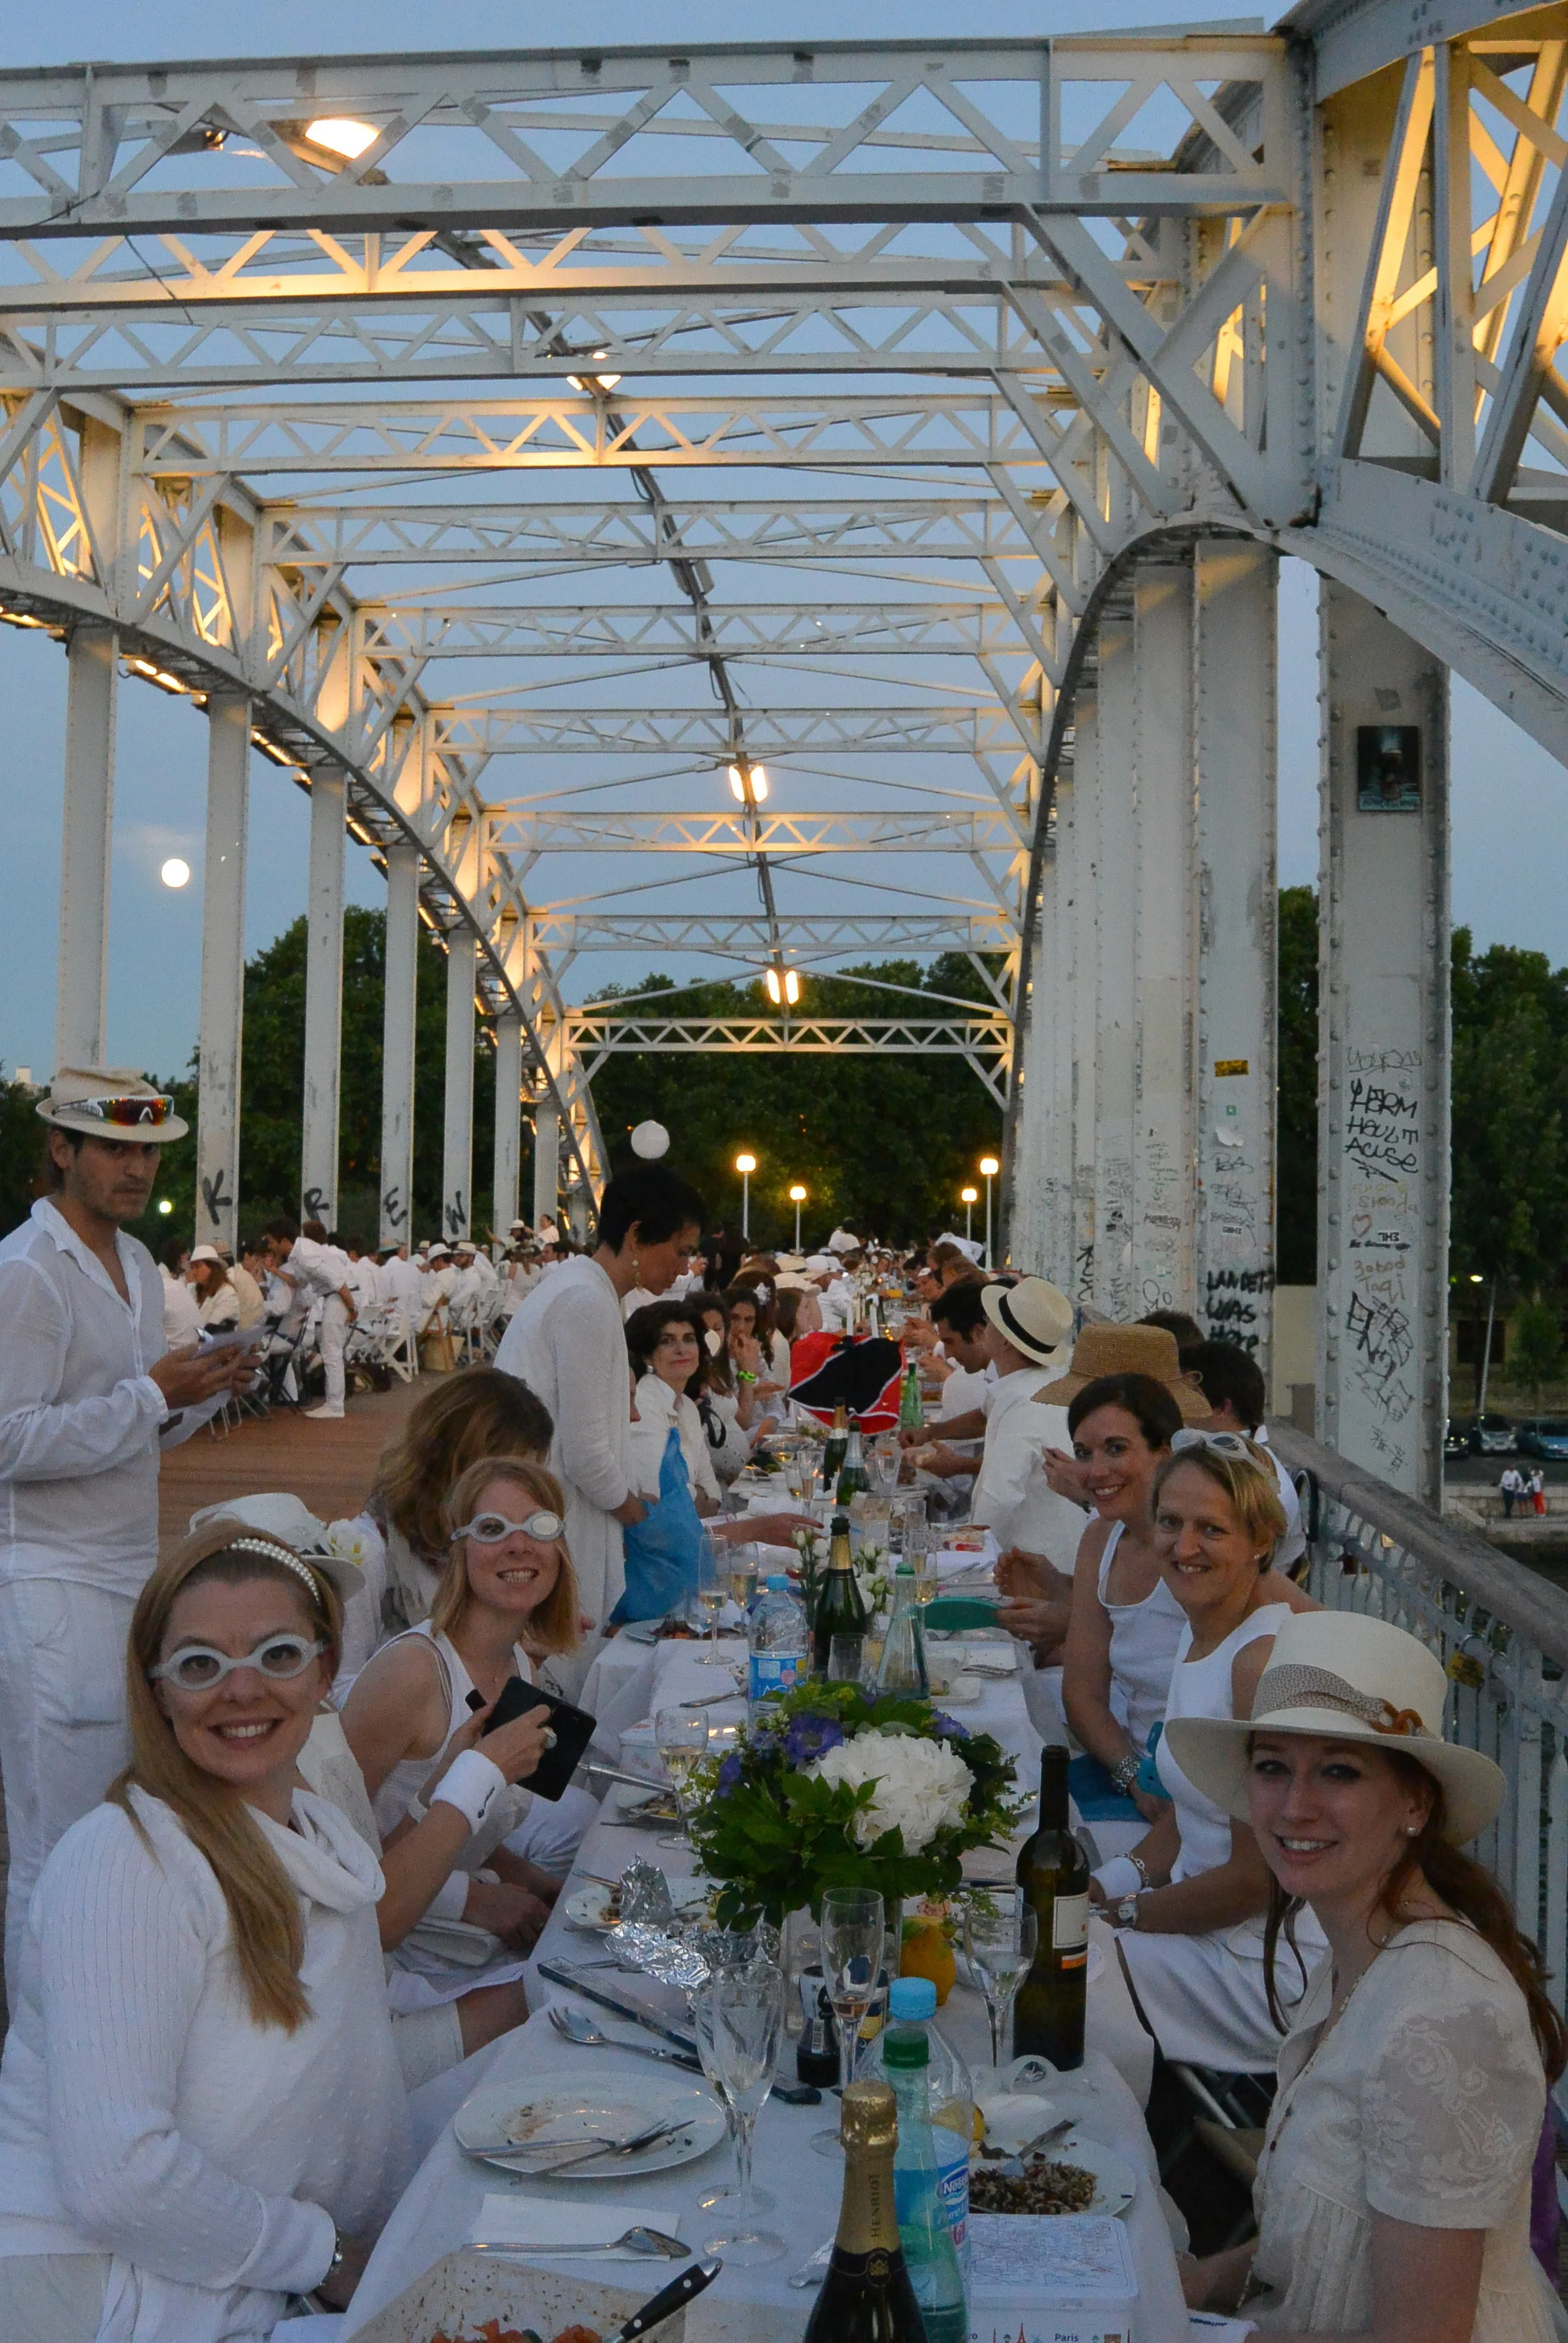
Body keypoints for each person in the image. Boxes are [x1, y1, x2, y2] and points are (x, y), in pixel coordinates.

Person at [0, 1519, 413, 2336]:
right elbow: (118, 2179)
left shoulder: (317, 1837)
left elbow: (345, 2073)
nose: (242, 1688)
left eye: (278, 1654)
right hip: (101, 2295)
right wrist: (329, 2256)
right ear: (159, 1691)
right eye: (199, 1664)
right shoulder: (127, 1863)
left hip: (232, 2269)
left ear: (326, 1668)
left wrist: (528, 2009)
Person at [1170, 1610, 1565, 2340]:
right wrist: (1205, 2282)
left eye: (1339, 1771)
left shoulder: (1439, 2019)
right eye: (1272, 1767)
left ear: (1415, 1802)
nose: (1295, 1806)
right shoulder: (1357, 1954)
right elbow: (1340, 2236)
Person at [0, 1067, 253, 1997]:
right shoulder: (28, 1272)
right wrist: (151, 1393)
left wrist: (201, 1392)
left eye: (147, 1150)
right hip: (49, 1581)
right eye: (114, 1147)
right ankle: (38, 2059)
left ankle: (105, 2019)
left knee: (123, 1823)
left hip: (131, 1574)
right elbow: (8, 1439)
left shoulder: (139, 1263)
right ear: (61, 1148)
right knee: (57, 1844)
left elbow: (134, 1429)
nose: (137, 1167)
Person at [1094, 1432, 1327, 2071]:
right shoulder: (1202, 1628)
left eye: (1211, 1530)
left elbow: (1256, 1883)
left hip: (1262, 1963)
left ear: (1261, 1542)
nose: (1184, 1547)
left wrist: (1123, 1915)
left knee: (1056, 1968)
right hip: (1208, 1926)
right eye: (1170, 1523)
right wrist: (1105, 1884)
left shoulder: (1257, 1663)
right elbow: (1192, 1813)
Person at [341, 1458, 581, 2038]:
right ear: (458, 1550)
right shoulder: (413, 1674)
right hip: (381, 1977)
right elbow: (336, 1852)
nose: (519, 1545)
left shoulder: (518, 1662)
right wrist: (471, 1899)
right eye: (493, 1528)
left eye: (538, 1525)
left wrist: (528, 1876)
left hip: (452, 1941)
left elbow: (465, 1825)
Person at [496, 1160, 704, 1686]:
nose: (684, 1268)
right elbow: (586, 1453)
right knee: (559, 1681)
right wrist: (638, 1515)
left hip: (552, 1510)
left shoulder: (585, 1291)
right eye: (680, 1250)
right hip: (555, 1517)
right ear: (636, 1235)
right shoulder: (586, 1300)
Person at [351, 1366, 556, 1655]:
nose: (524, 1493)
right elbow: (340, 1678)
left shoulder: (479, 1541)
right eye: (510, 1477)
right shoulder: (370, 1553)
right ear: (456, 1465)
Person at [1188, 1337, 1307, 1571]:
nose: (1177, 1407)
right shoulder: (1225, 1460)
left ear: (1221, 1408)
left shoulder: (1253, 1480)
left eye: (1187, 1398)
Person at [157, 1235, 201, 1352]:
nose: (188, 1263)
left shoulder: (173, 1281)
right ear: (180, 1257)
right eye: (188, 1257)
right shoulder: (163, 1281)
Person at [187, 1245, 240, 1334]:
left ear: (212, 1267)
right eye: (192, 1268)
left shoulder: (227, 1293)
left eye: (197, 1266)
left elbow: (214, 1327)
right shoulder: (191, 1289)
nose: (193, 1272)